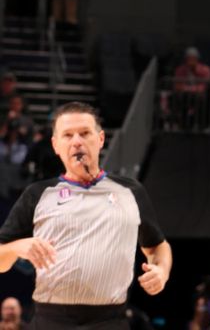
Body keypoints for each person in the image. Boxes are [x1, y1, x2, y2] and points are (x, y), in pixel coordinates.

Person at [0, 102, 171, 329]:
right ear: (56, 145)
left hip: (110, 320)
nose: (77, 141)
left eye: (84, 133)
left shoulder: (131, 191)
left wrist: (162, 270)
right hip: (51, 320)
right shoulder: (38, 194)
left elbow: (157, 246)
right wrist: (19, 247)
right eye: (68, 135)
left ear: (100, 139)